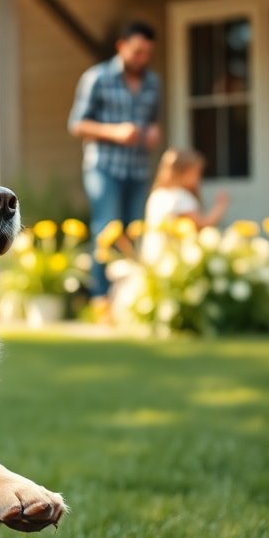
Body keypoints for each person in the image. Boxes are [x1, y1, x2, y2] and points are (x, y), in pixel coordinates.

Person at [68, 21, 163, 318]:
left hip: (137, 169)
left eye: (147, 53)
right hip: (104, 168)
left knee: (135, 231)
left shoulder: (152, 83)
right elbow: (77, 124)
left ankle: (129, 297)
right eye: (136, 51)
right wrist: (115, 132)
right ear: (121, 46)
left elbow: (154, 120)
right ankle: (100, 298)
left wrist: (152, 134)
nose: (141, 58)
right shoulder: (97, 78)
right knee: (106, 229)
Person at [141, 148, 229, 261]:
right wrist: (220, 206)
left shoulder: (157, 194)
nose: (199, 179)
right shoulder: (180, 197)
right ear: (183, 172)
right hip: (172, 260)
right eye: (197, 173)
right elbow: (201, 226)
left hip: (151, 257)